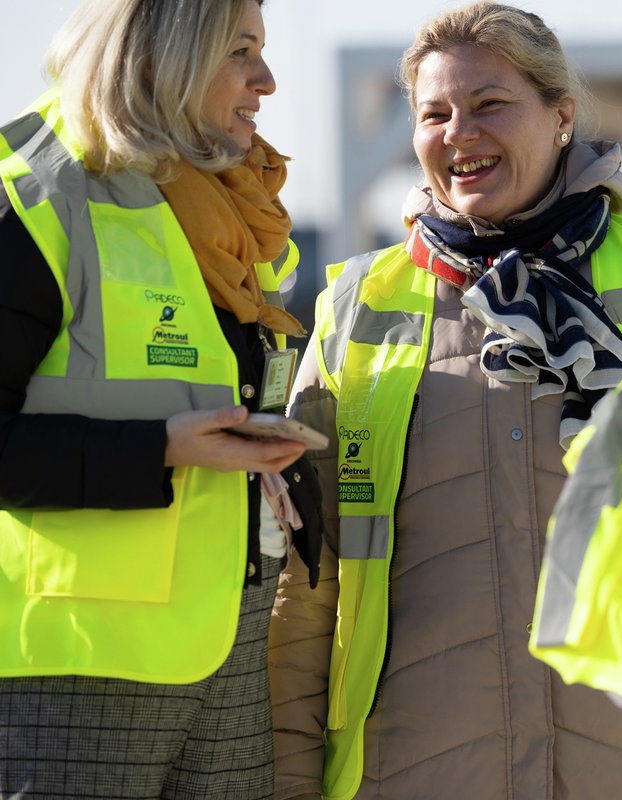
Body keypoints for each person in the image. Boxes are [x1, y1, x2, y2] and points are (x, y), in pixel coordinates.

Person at [267, 3, 622, 799]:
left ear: (562, 114)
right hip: (417, 772)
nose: (459, 133)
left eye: (490, 105)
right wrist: (290, 779)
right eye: (435, 113)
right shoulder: (356, 311)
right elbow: (307, 583)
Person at [0, 1, 323, 797]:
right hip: (77, 671)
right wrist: (163, 449)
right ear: (166, 56)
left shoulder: (232, 215)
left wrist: (270, 460)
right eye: (240, 52)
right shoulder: (37, 196)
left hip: (234, 653)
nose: (268, 81)